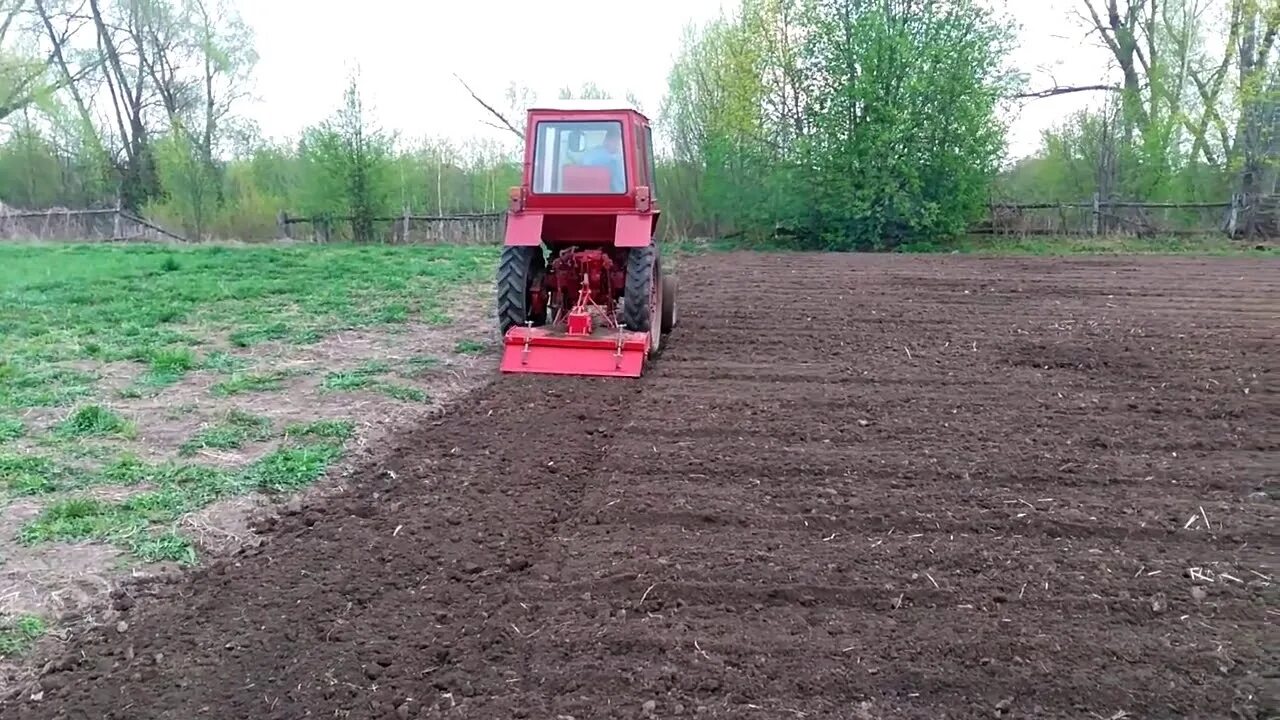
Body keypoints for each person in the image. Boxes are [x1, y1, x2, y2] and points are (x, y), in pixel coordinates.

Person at [578, 126, 625, 192]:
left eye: (618, 141)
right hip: (597, 193)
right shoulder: (593, 155)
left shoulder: (623, 157)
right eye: (613, 140)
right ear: (606, 141)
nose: (617, 144)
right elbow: (583, 168)